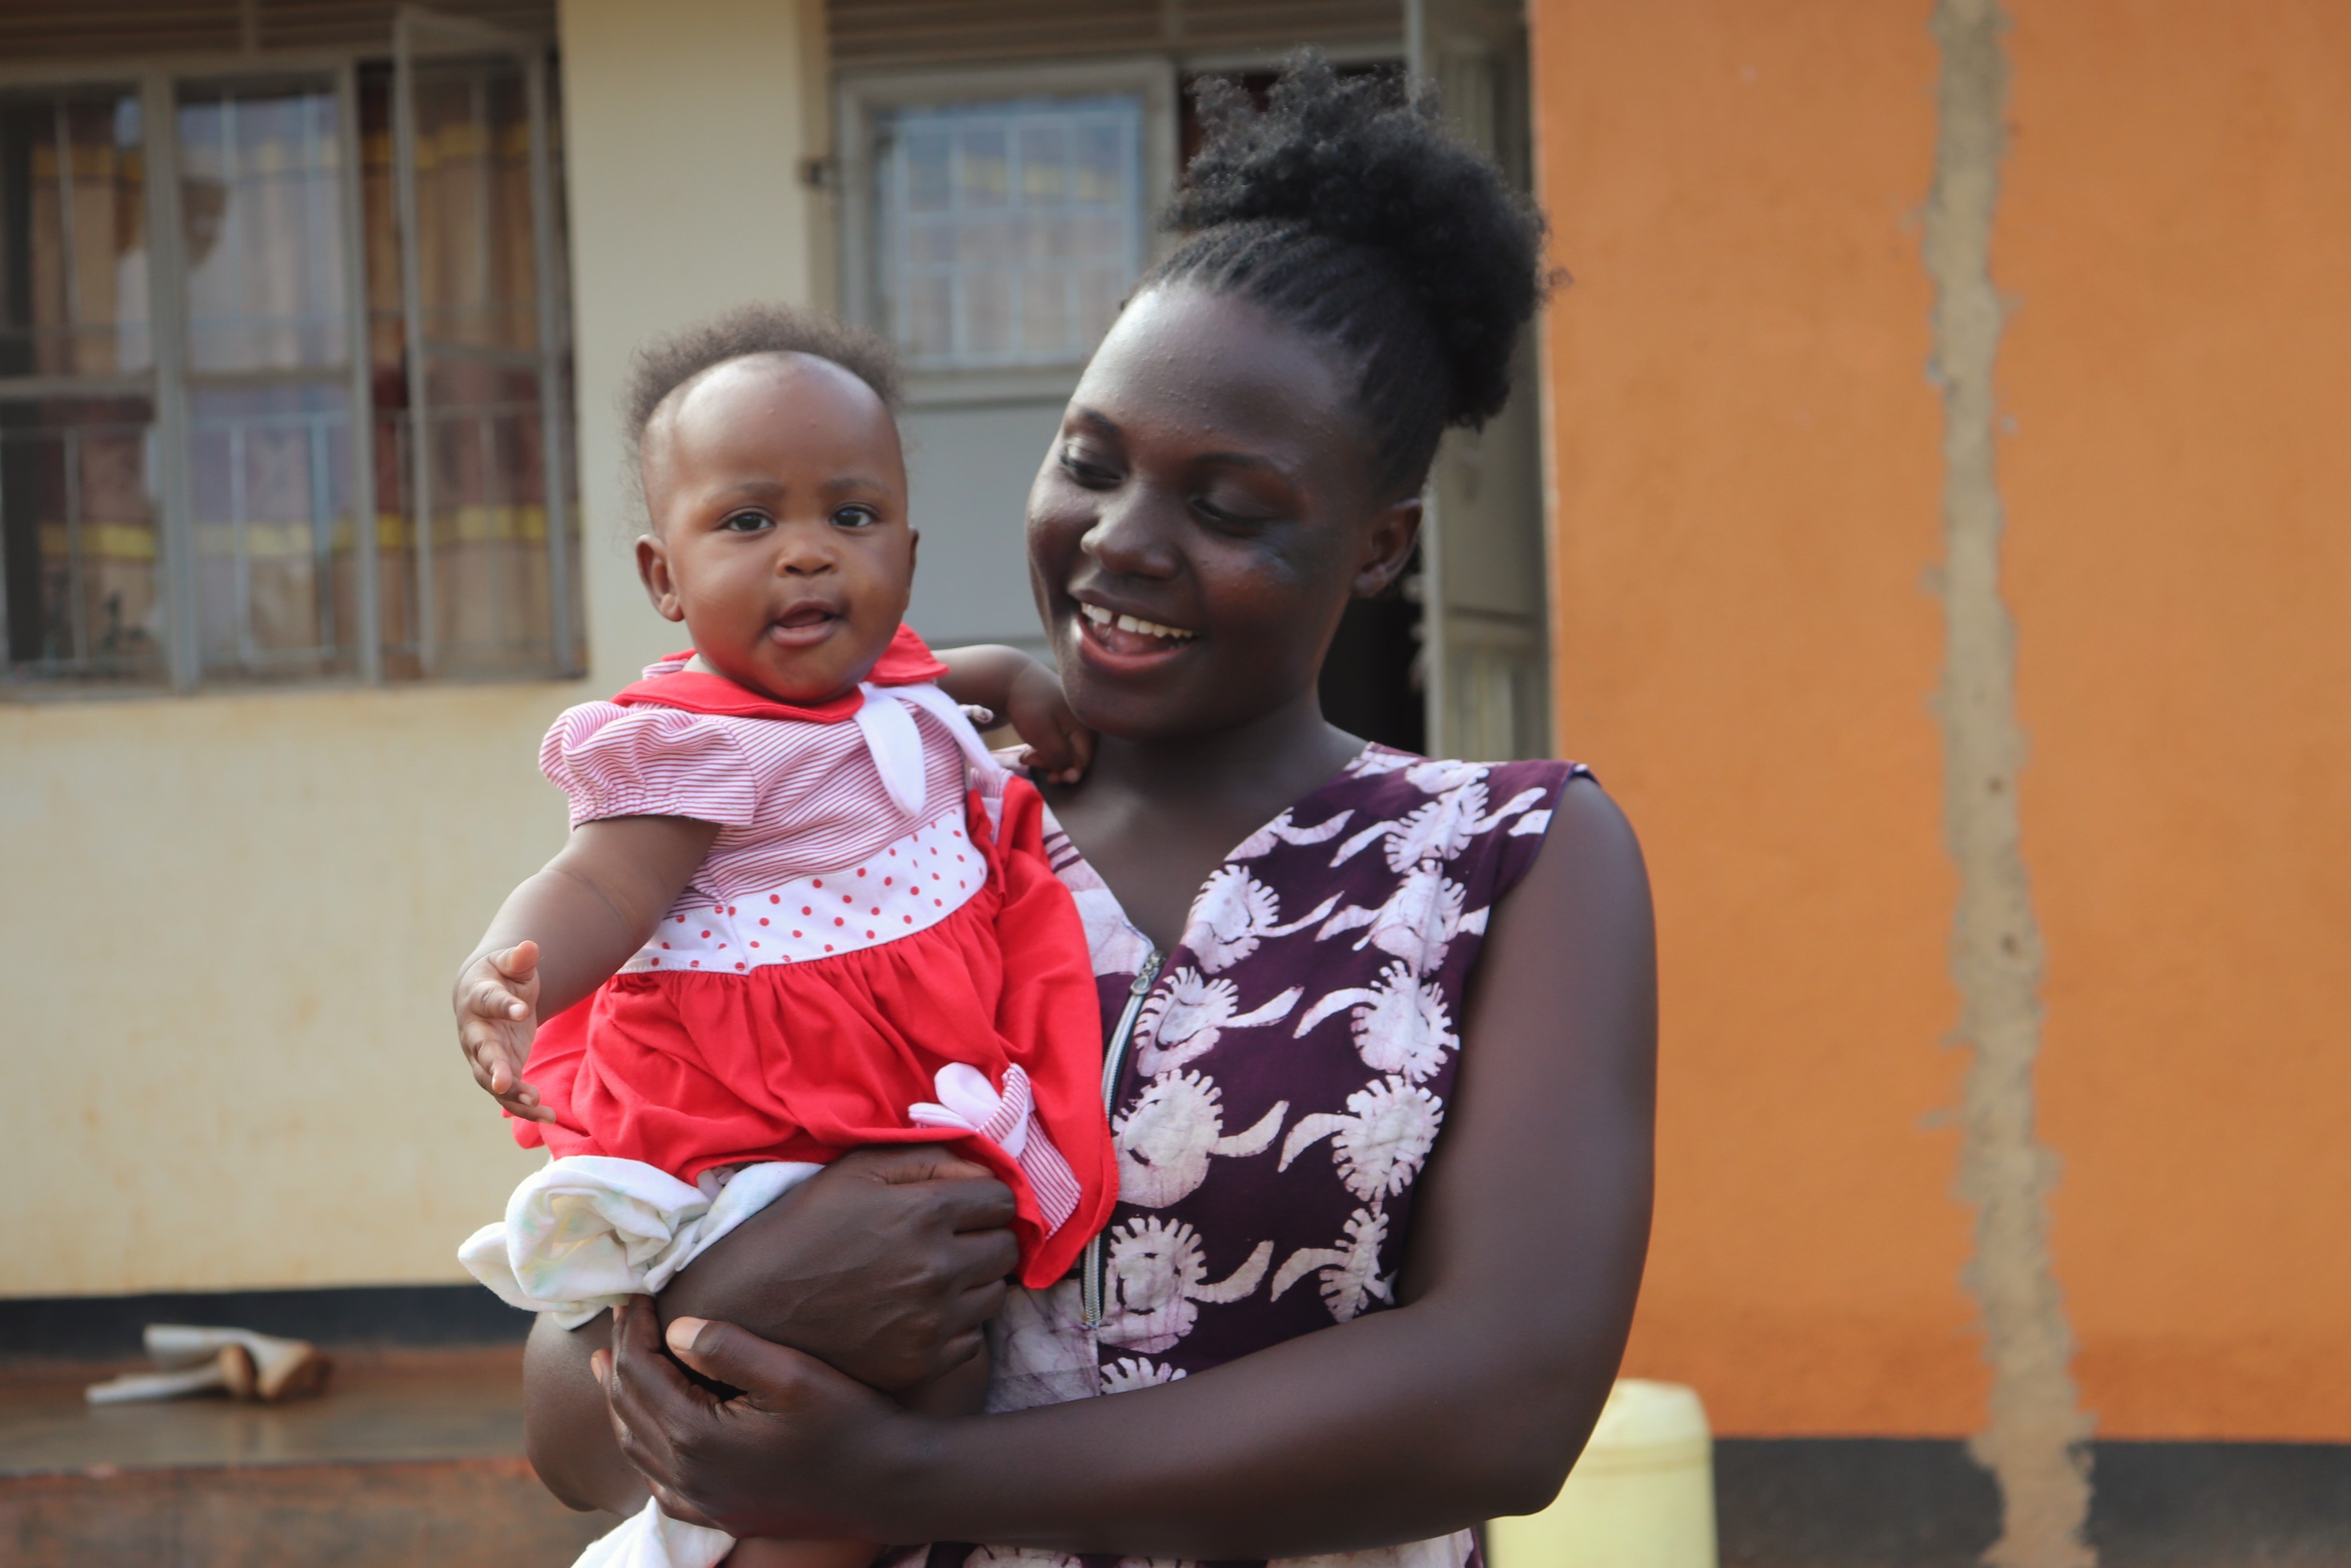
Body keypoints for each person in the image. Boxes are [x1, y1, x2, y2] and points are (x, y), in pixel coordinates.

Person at [522, 55, 1657, 1568]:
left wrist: (914, 1477)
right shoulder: (844, 834)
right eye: (1090, 464)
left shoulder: (1509, 862)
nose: (1121, 544)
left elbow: (1506, 1404)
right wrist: (736, 1291)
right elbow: (561, 1422)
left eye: (1227, 505)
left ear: (1378, 547)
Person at [448, 306, 1121, 1568]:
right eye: (749, 523)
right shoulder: (697, 748)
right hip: (764, 1139)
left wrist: (1016, 678)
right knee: (812, 1423)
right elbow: (600, 885)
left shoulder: (900, 690)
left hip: (889, 1117)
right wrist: (506, 970)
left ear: (906, 557)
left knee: (933, 1384)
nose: (807, 557)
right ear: (664, 577)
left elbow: (925, 681)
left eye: (848, 519)